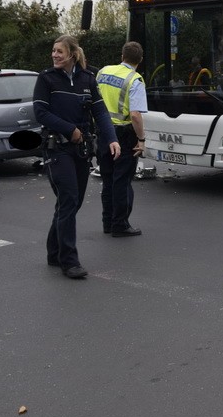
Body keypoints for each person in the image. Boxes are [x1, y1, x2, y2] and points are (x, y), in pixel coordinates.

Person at [33, 35, 121, 280]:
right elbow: (40, 112)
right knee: (69, 199)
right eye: (53, 51)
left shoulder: (87, 79)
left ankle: (54, 251)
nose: (54, 55)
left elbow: (100, 110)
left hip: (80, 150)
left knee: (71, 202)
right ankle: (69, 261)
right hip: (57, 149)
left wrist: (112, 138)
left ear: (72, 54)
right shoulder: (46, 78)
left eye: (59, 51)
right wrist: (68, 129)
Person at [96, 41, 148, 237]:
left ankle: (107, 222)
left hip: (103, 132)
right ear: (140, 60)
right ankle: (120, 224)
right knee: (122, 180)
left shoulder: (103, 72)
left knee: (108, 178)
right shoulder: (135, 80)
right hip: (124, 134)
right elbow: (135, 115)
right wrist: (141, 139)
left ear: (122, 56)